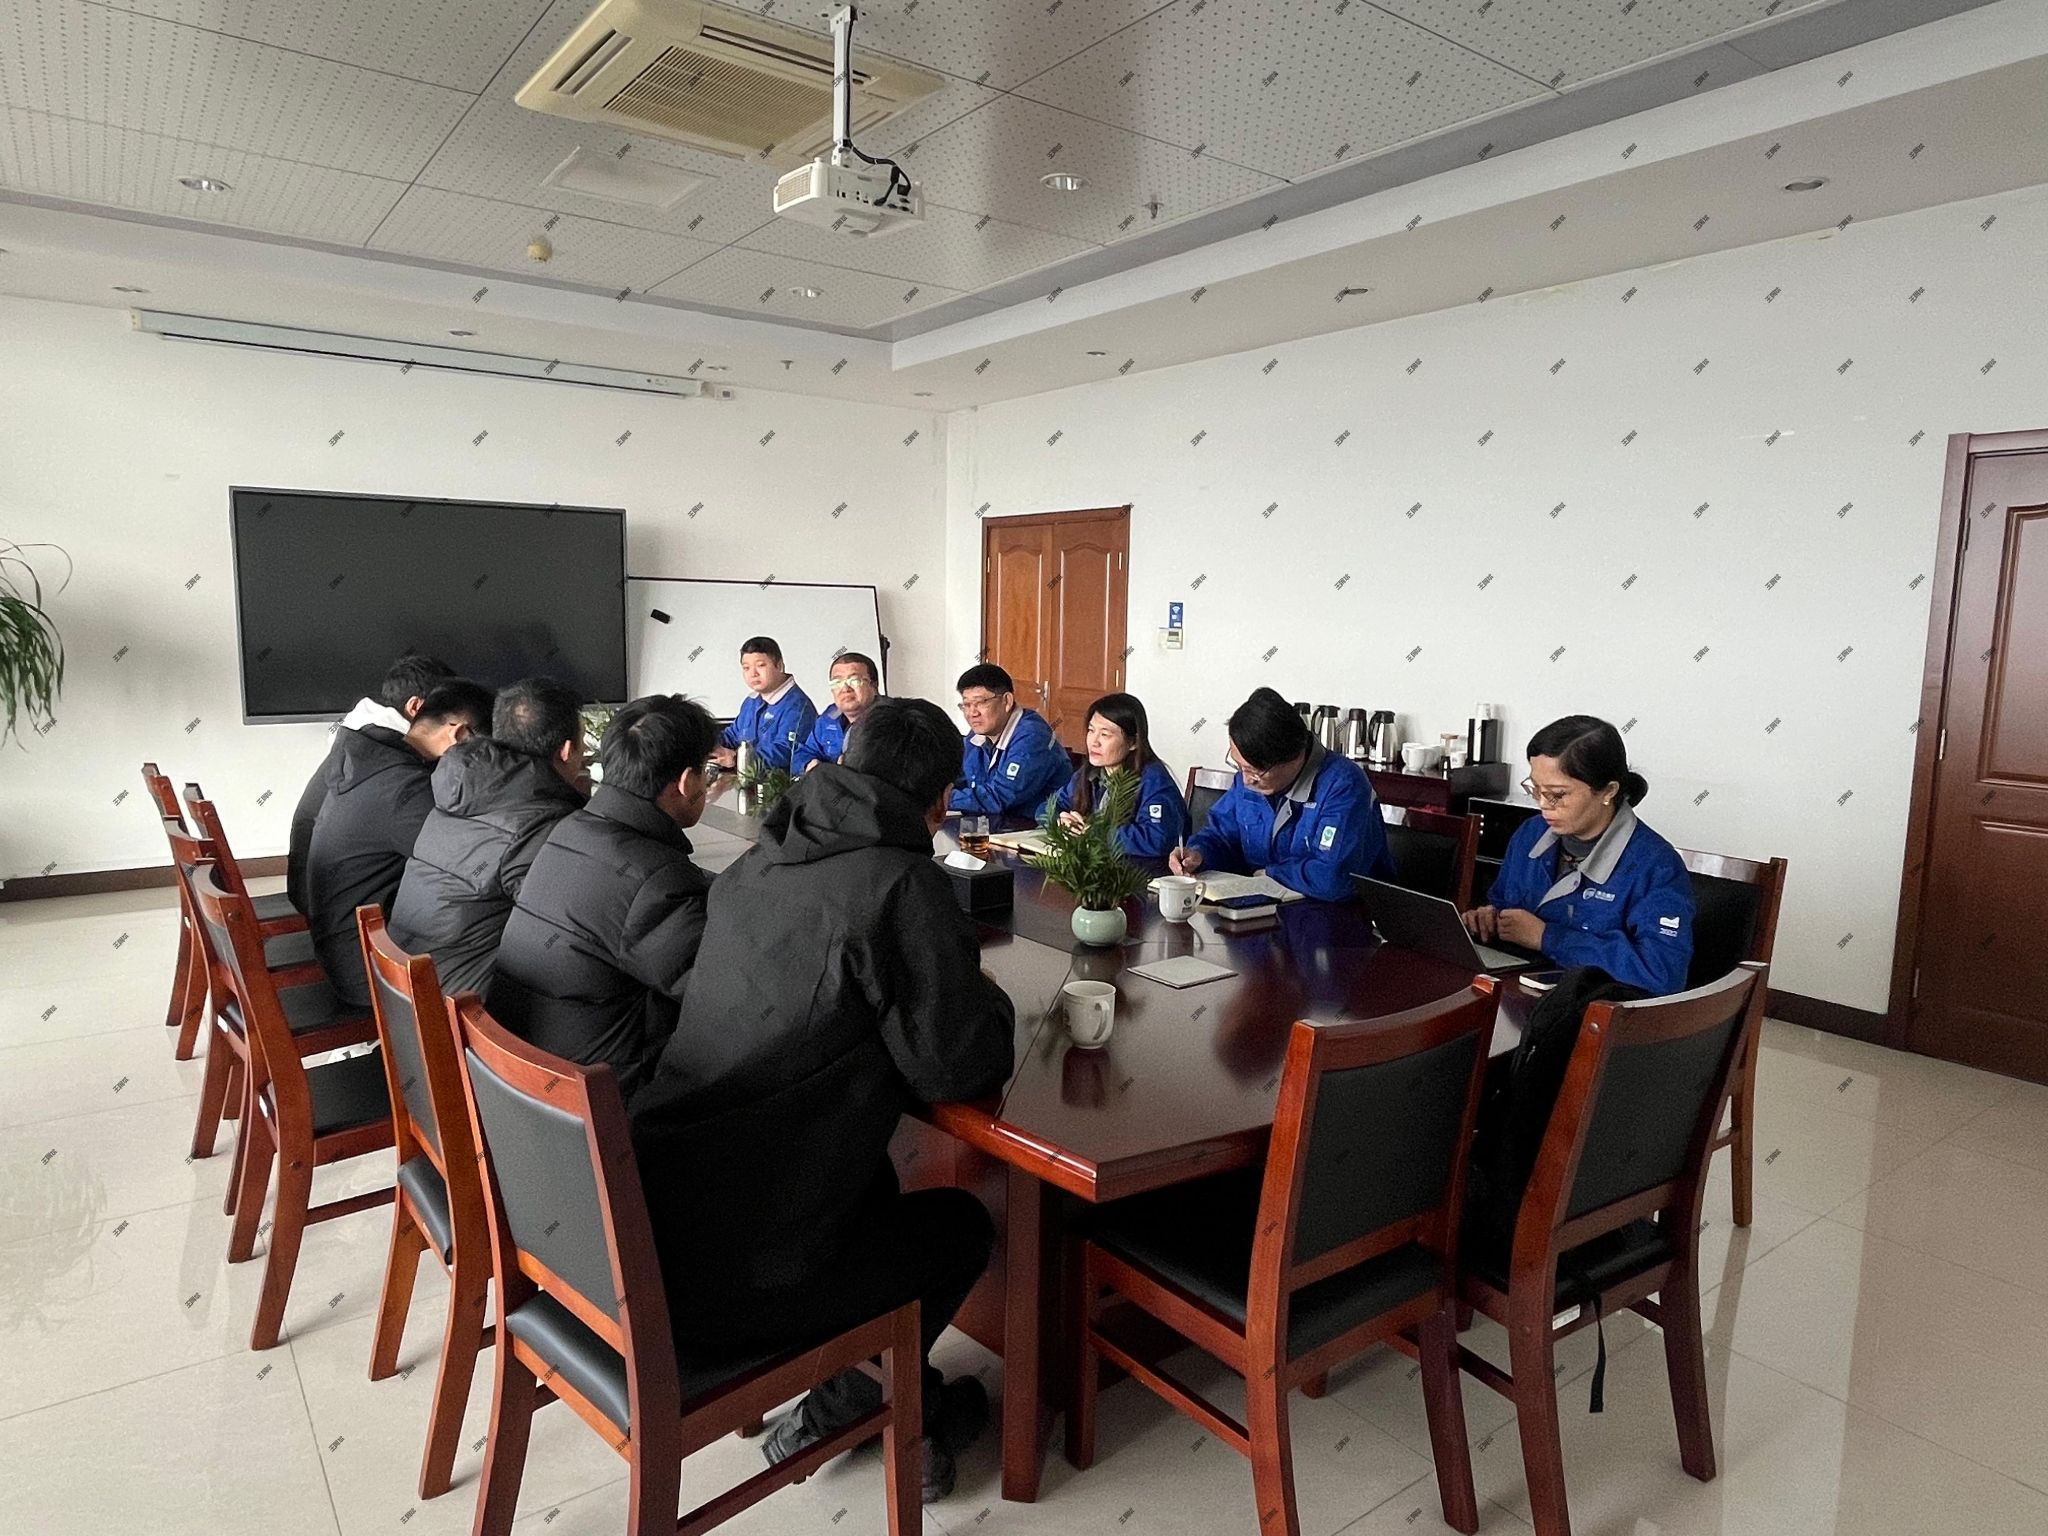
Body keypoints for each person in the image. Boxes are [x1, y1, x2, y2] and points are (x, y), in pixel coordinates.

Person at [630, 697, 1015, 1502]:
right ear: (943, 799)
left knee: (876, 1177)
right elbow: (954, 1067)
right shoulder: (902, 883)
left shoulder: (763, 856)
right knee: (960, 1226)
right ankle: (846, 1409)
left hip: (656, 1214)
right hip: (742, 1272)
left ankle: (908, 1401)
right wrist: (987, 995)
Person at [487, 695, 718, 1097]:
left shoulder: (570, 829)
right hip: (598, 1099)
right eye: (706, 772)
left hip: (523, 1078)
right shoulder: (656, 878)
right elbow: (716, 987)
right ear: (685, 782)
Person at [385, 677, 590, 996]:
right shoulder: (542, 822)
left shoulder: (461, 789)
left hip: (414, 988)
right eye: (583, 743)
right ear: (566, 751)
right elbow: (571, 926)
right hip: (463, 1009)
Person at [1462, 715, 1695, 995]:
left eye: (1557, 795)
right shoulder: (1531, 834)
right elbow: (1502, 901)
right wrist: (1489, 918)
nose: (1543, 804)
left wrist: (1549, 937)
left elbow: (1662, 974)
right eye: (1535, 789)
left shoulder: (1656, 866)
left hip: (1594, 1010)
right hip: (1517, 991)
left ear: (1608, 791)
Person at [304, 678, 494, 1007]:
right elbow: (472, 864)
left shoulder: (376, 759)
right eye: (486, 750)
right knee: (500, 927)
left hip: (343, 944)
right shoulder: (405, 789)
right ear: (460, 735)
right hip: (366, 970)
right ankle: (479, 1037)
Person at [1169, 686, 1393, 900]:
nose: (1246, 780)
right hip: (1263, 911)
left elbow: (1333, 877)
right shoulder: (1251, 780)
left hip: (1340, 917)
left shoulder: (1343, 785)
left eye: (1254, 771)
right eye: (1239, 766)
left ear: (1292, 756)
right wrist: (1198, 854)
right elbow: (1221, 836)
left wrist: (1272, 873)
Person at [287, 651, 455, 913]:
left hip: (317, 897)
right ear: (415, 707)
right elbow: (449, 852)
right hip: (348, 916)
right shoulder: (388, 762)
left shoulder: (362, 743)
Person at [1054, 692, 1189, 859]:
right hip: (1099, 863)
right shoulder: (1090, 773)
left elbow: (1157, 839)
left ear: (1133, 742)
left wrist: (1095, 833)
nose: (1094, 742)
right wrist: (1061, 821)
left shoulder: (1154, 781)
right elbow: (1049, 807)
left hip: (1140, 871)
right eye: (1091, 730)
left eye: (1105, 735)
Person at [950, 663, 1071, 817]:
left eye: (980, 703)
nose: (972, 713)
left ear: (1007, 701)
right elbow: (958, 778)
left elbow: (998, 797)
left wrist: (940, 800)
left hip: (1034, 827)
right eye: (966, 705)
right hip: (997, 825)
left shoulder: (1033, 737)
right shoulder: (977, 736)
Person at [709, 636, 817, 774]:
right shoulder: (751, 701)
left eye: (761, 665)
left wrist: (738, 759)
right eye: (746, 668)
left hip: (780, 784)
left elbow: (785, 752)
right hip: (747, 778)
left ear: (779, 666)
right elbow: (733, 735)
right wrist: (710, 746)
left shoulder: (798, 707)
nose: (753, 674)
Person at [791, 650, 883, 774]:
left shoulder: (893, 718)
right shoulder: (829, 718)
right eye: (837, 682)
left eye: (854, 681)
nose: (845, 689)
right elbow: (803, 753)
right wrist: (810, 764)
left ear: (874, 686)